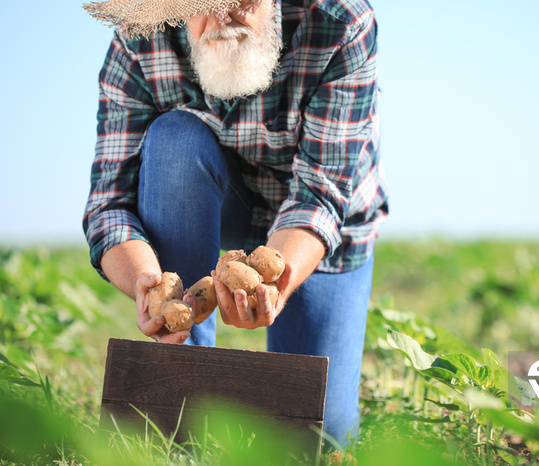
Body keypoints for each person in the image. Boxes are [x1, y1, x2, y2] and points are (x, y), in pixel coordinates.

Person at [82, 0, 388, 449]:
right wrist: (146, 286)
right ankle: (185, 385)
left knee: (318, 438)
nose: (223, 17)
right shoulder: (139, 35)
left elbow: (319, 194)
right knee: (173, 142)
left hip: (313, 229)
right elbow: (110, 202)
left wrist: (275, 285)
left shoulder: (341, 22)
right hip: (211, 198)